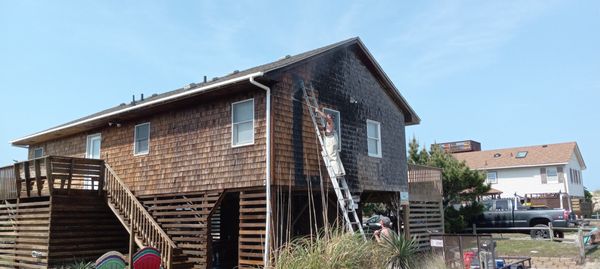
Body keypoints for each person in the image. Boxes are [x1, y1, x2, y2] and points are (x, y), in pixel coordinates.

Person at [316, 108, 345, 176]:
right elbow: (326, 130)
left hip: (331, 141)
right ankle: (340, 171)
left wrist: (318, 111)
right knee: (335, 156)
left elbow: (325, 117)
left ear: (330, 118)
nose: (327, 115)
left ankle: (337, 173)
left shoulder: (330, 122)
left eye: (328, 115)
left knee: (332, 157)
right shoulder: (328, 124)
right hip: (332, 140)